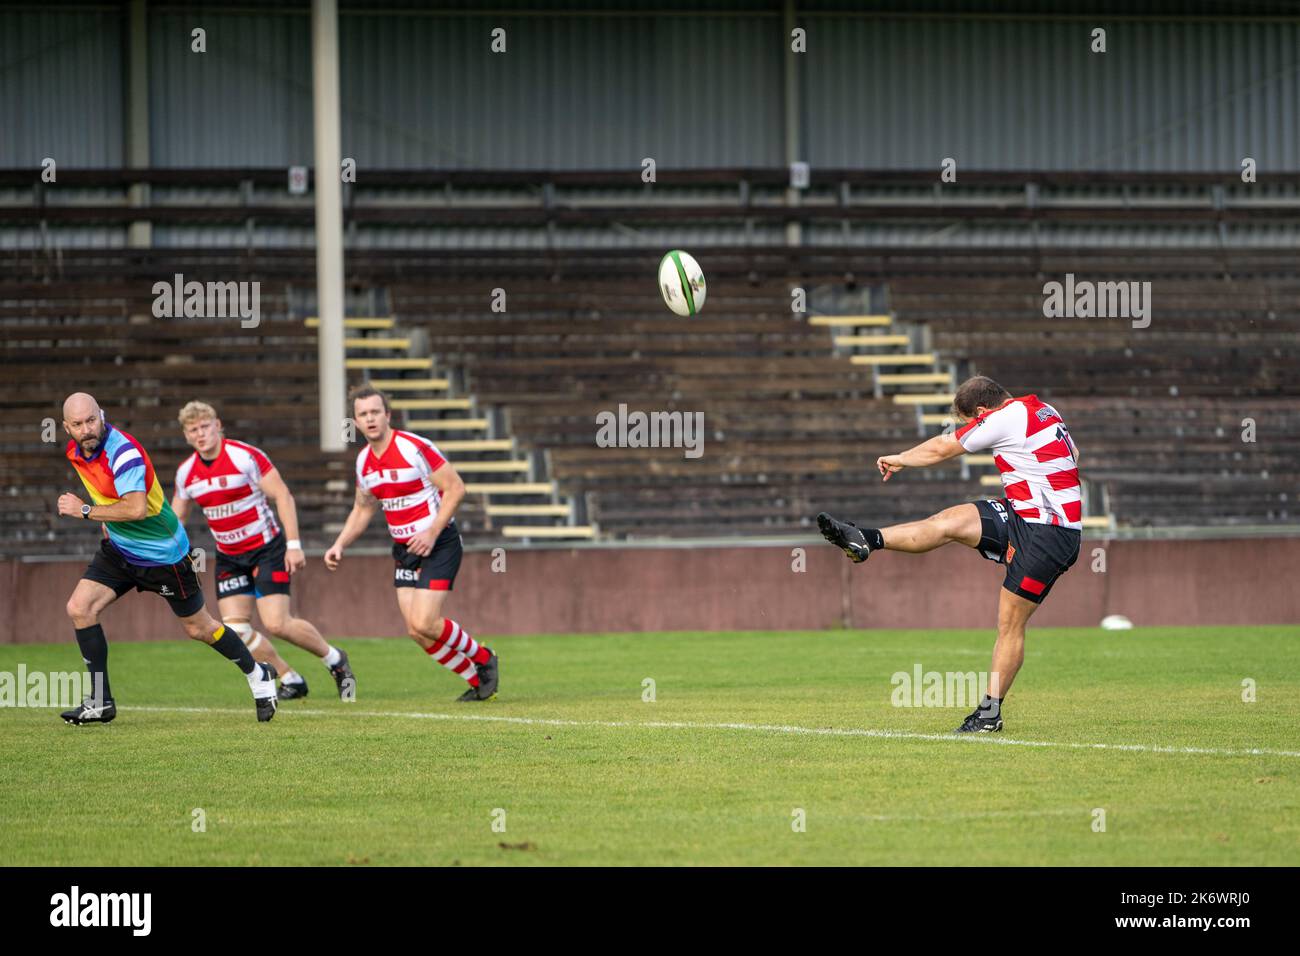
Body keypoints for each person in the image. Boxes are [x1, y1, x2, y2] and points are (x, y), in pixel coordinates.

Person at [817, 376, 1082, 734]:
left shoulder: (1006, 417)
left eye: (971, 422)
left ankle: (989, 714)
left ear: (982, 412)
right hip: (1024, 514)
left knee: (1010, 624)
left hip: (1049, 534)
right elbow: (1074, 456)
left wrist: (899, 459)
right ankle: (866, 539)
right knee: (949, 522)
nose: (973, 429)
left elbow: (944, 447)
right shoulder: (1042, 410)